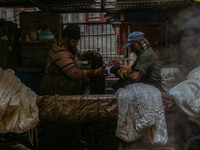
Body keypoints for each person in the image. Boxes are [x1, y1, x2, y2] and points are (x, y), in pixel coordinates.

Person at [40, 23, 107, 95]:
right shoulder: (59, 51)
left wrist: (93, 54)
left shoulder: (69, 46)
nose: (76, 44)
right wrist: (94, 72)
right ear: (66, 38)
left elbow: (81, 55)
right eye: (75, 41)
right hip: (57, 92)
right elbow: (74, 73)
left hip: (68, 89)